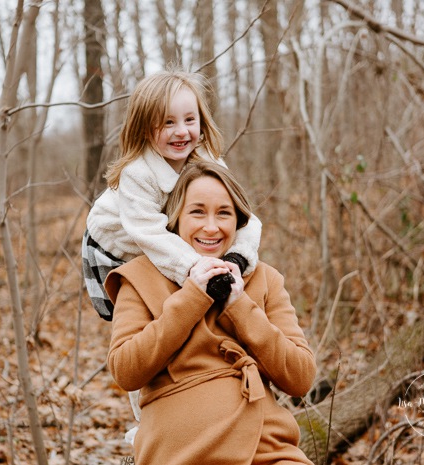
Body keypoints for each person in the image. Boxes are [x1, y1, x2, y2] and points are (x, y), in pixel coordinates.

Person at [105, 161, 316, 465]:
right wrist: (193, 297)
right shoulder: (140, 277)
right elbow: (126, 371)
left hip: (266, 450)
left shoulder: (264, 278)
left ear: (238, 220)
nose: (211, 227)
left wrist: (240, 307)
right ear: (175, 218)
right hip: (178, 455)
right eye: (197, 212)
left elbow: (300, 378)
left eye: (223, 213)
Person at [82, 68, 262, 322]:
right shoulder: (138, 173)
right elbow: (150, 234)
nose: (181, 131)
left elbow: (243, 217)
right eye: (168, 122)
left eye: (189, 120)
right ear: (144, 128)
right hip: (116, 247)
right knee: (150, 312)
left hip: (165, 237)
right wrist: (194, 267)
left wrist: (238, 257)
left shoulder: (210, 163)